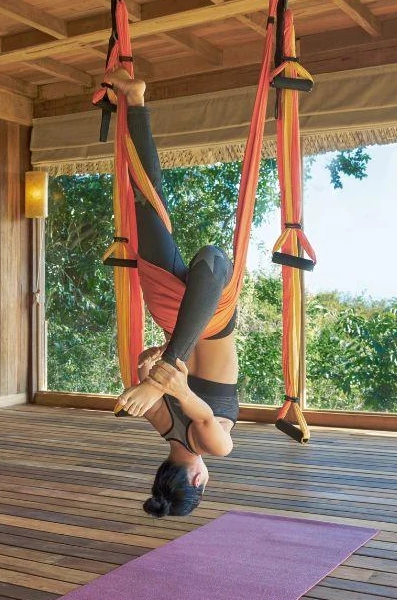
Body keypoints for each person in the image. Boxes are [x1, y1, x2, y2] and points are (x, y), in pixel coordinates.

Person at [104, 70, 239, 518]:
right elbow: (196, 410)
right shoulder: (158, 419)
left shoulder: (207, 449)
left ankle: (136, 102)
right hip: (183, 308)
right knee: (150, 204)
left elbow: (210, 427)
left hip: (206, 315)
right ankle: (136, 100)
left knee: (211, 258)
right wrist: (159, 377)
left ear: (198, 481)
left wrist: (155, 364)